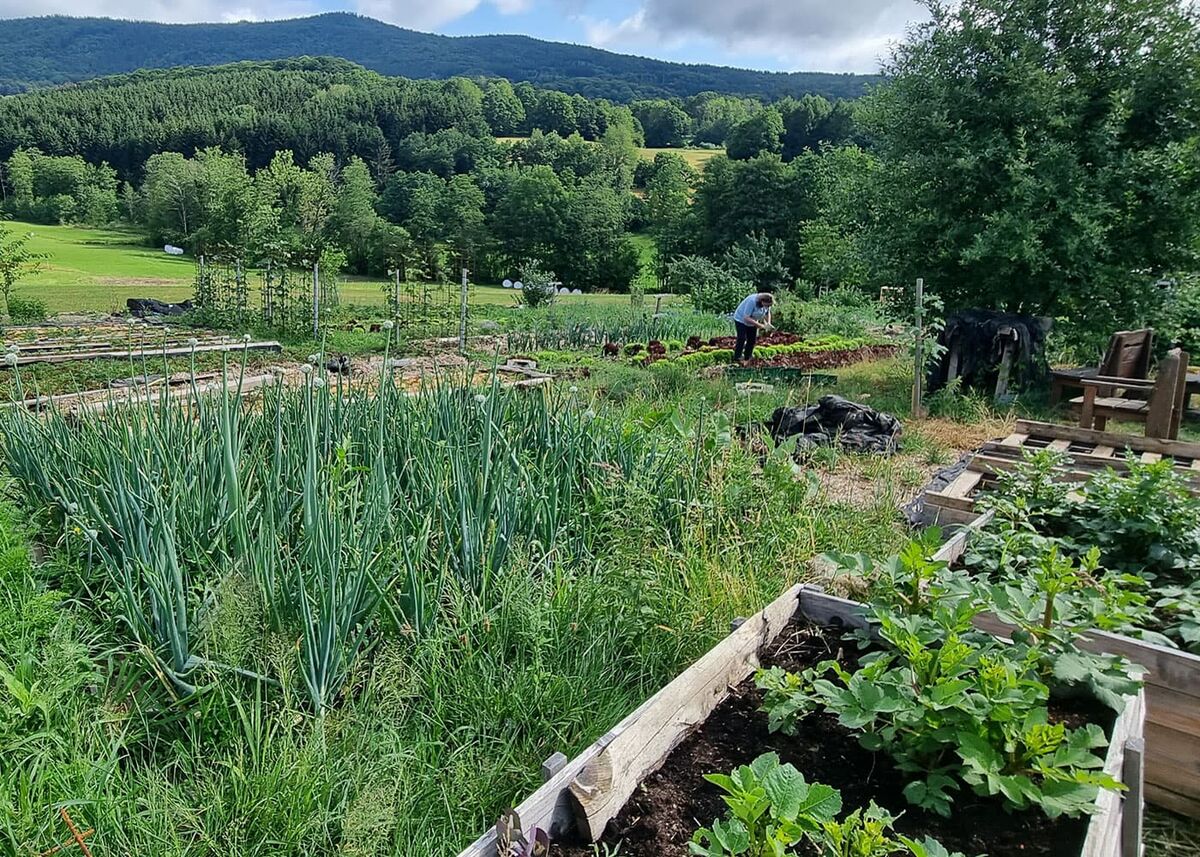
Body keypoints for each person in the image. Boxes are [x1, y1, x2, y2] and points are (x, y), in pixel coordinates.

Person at [731, 292, 774, 362]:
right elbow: (746, 317)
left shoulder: (767, 304)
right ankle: (737, 357)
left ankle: (748, 357)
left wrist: (768, 324)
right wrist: (760, 325)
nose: (767, 307)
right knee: (742, 338)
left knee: (752, 340)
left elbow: (767, 313)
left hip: (753, 321)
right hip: (741, 320)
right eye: (767, 305)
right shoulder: (752, 301)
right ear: (762, 301)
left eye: (769, 306)